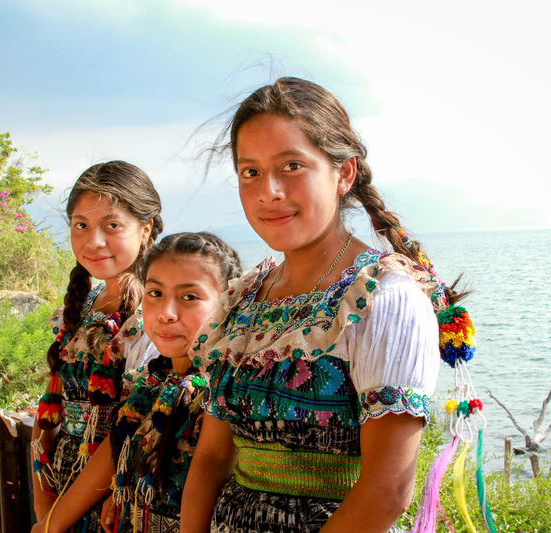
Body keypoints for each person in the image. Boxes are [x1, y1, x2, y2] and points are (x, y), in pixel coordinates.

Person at [181, 77, 466, 533]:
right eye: (249, 171)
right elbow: (215, 454)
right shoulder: (245, 298)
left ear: (344, 173)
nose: (267, 191)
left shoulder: (383, 297)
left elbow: (387, 490)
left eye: (292, 165)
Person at [31, 232, 242, 533]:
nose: (166, 314)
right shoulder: (151, 386)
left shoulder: (223, 392)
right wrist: (50, 526)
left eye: (189, 297)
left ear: (227, 303)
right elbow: (111, 453)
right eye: (155, 293)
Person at [31, 161, 163, 531]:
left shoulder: (153, 317)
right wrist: (45, 502)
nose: (93, 241)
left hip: (115, 498)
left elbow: (136, 429)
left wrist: (55, 522)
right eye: (81, 225)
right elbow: (48, 407)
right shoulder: (80, 307)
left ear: (146, 229)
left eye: (112, 225)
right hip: (59, 487)